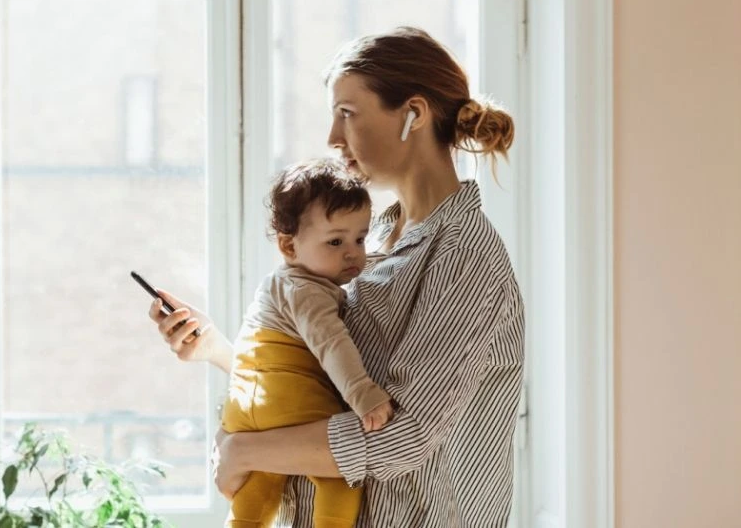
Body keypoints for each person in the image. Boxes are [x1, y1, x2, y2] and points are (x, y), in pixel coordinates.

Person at [149, 26, 525, 527]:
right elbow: (327, 378)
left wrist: (246, 450)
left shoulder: (462, 256)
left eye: (346, 114)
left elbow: (400, 435)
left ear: (413, 114)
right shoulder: (371, 244)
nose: (331, 138)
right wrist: (216, 348)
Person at [222, 157, 393, 528]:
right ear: (289, 246)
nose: (353, 253)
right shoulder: (308, 292)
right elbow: (332, 343)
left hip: (244, 409)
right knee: (339, 479)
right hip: (290, 403)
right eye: (335, 241)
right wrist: (363, 392)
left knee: (261, 482)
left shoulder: (278, 284)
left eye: (360, 239)